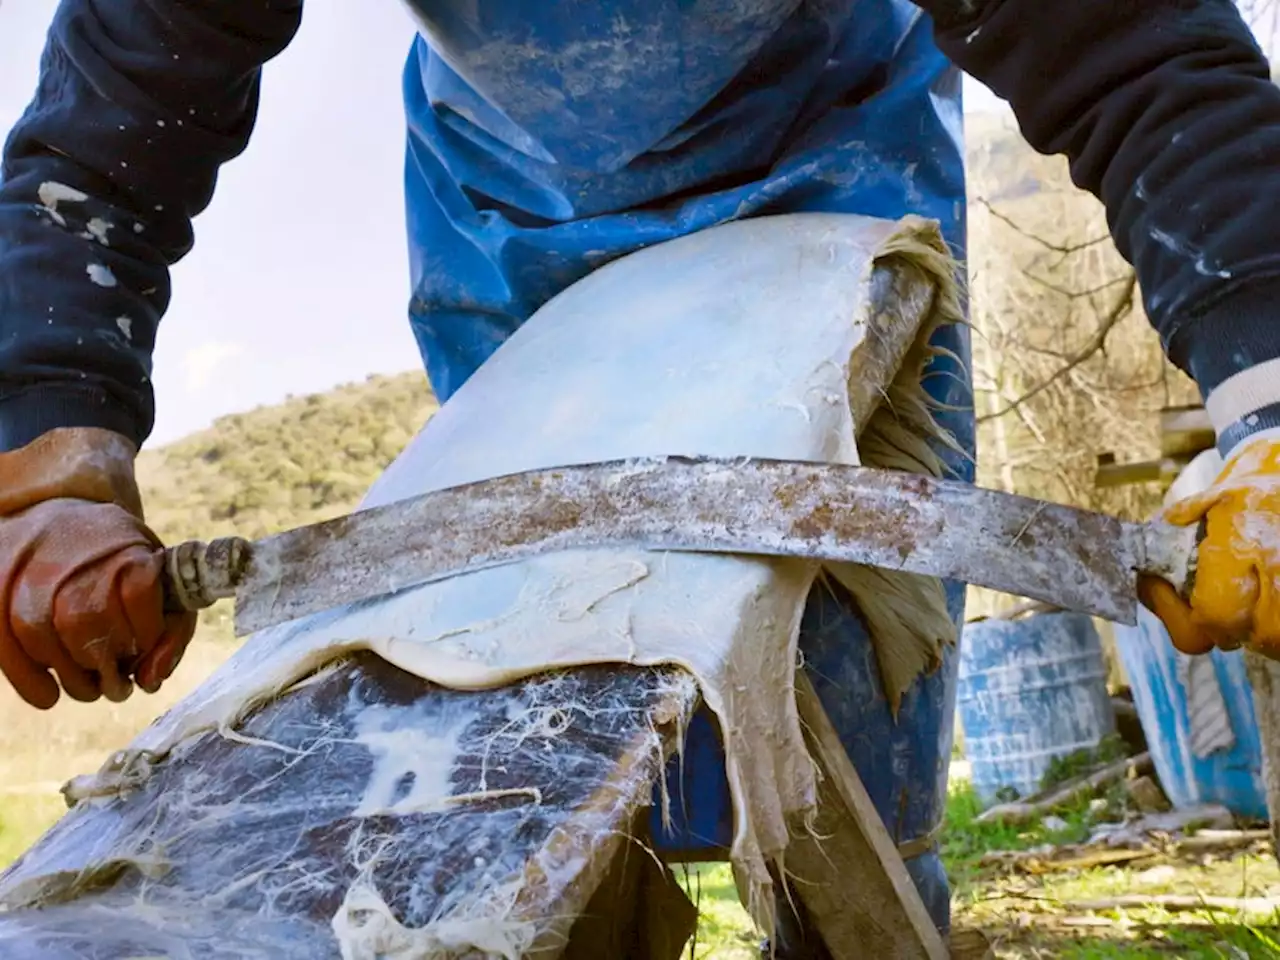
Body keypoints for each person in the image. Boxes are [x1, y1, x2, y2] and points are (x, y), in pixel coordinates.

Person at [3, 0, 1280, 947]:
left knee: (857, 760)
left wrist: (1264, 390)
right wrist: (51, 459)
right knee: (517, 729)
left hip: (834, 163)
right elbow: (98, 152)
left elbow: (1137, 49)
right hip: (520, 231)